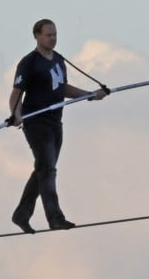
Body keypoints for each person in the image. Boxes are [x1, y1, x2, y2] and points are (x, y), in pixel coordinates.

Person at [8, 19, 108, 233]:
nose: (52, 39)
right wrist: (16, 115)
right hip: (36, 122)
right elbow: (16, 94)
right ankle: (55, 218)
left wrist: (90, 95)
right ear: (36, 36)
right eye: (48, 35)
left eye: (54, 35)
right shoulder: (29, 62)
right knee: (48, 170)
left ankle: (21, 214)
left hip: (55, 121)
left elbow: (61, 88)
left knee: (43, 170)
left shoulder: (59, 60)